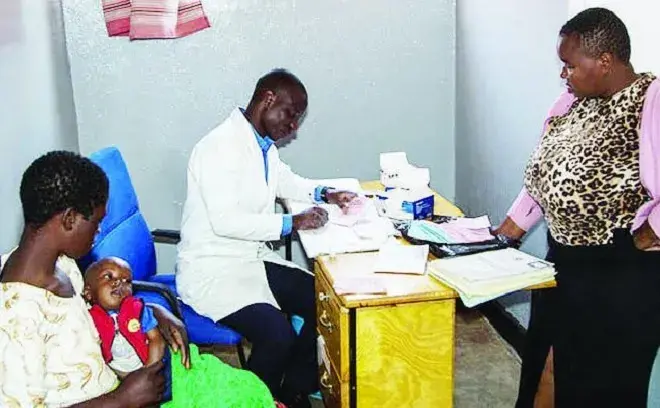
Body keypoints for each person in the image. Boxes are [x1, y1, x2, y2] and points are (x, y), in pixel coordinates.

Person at [0, 150, 270, 407]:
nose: (99, 231)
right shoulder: (15, 320)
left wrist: (152, 310)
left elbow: (92, 312)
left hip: (118, 384)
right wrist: (119, 401)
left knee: (244, 387)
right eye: (96, 222)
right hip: (116, 399)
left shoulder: (62, 263)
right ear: (70, 220)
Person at [493, 8, 660, 407]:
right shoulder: (569, 104)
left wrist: (648, 232)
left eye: (569, 64)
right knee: (545, 366)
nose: (563, 74)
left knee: (600, 385)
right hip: (564, 264)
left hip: (622, 277)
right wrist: (501, 238)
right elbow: (542, 181)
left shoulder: (649, 100)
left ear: (604, 61)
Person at [176, 68, 357, 407]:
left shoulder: (263, 147)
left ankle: (294, 387)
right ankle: (252, 400)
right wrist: (293, 222)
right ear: (267, 99)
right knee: (278, 335)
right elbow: (226, 222)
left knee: (323, 300)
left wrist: (326, 193)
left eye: (298, 119)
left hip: (248, 259)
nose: (293, 127)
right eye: (290, 115)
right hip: (213, 269)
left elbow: (284, 181)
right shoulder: (217, 147)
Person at [83, 257, 277, 408]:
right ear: (88, 292)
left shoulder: (137, 310)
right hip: (120, 375)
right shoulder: (85, 320)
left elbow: (156, 341)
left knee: (227, 386)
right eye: (109, 277)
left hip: (152, 364)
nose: (119, 284)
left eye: (126, 281)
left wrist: (147, 374)